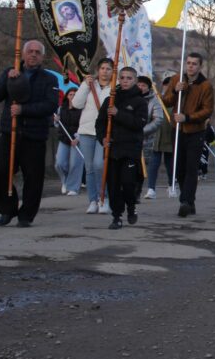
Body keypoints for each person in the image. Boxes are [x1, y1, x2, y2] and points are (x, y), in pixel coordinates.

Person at [0, 40, 59, 227]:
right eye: (30, 51)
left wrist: (23, 110)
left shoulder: (49, 79)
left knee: (33, 176)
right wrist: (7, 80)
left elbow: (50, 105)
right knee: (1, 172)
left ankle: (26, 215)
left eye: (37, 52)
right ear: (24, 54)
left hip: (34, 134)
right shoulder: (10, 72)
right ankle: (7, 209)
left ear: (42, 57)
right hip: (10, 132)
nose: (33, 55)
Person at [162, 52, 214, 218]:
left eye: (194, 64)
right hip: (177, 130)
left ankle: (185, 201)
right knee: (179, 167)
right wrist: (175, 91)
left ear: (200, 66)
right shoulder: (177, 79)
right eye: (189, 63)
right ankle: (190, 201)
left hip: (195, 131)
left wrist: (188, 117)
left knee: (192, 167)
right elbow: (166, 101)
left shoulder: (205, 85)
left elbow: (207, 110)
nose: (191, 66)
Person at [95, 67, 148, 230]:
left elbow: (139, 123)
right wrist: (103, 138)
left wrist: (118, 114)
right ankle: (116, 216)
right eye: (122, 78)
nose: (125, 81)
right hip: (112, 150)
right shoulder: (110, 100)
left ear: (135, 81)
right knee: (113, 185)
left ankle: (131, 206)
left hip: (130, 149)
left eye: (129, 78)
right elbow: (100, 123)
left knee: (128, 183)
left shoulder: (140, 102)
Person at [72, 58, 113, 214]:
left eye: (108, 69)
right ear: (98, 69)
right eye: (102, 68)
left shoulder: (114, 87)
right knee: (89, 167)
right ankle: (93, 200)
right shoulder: (89, 85)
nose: (105, 71)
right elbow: (76, 104)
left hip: (103, 132)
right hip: (86, 130)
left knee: (99, 165)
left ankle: (104, 198)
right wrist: (84, 85)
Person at [137, 76, 164, 199]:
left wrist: (143, 130)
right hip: (129, 138)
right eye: (138, 85)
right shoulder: (129, 98)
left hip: (147, 139)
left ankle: (141, 190)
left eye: (143, 85)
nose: (140, 87)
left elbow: (158, 119)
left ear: (148, 87)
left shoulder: (154, 100)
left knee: (142, 166)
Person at [54, 87, 82, 196]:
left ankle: (73, 187)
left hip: (76, 139)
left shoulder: (82, 109)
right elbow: (57, 125)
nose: (73, 97)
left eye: (75, 94)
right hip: (64, 138)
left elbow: (84, 125)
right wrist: (56, 120)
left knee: (75, 164)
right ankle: (65, 181)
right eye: (70, 94)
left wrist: (78, 138)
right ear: (67, 96)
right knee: (60, 163)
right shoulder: (61, 109)